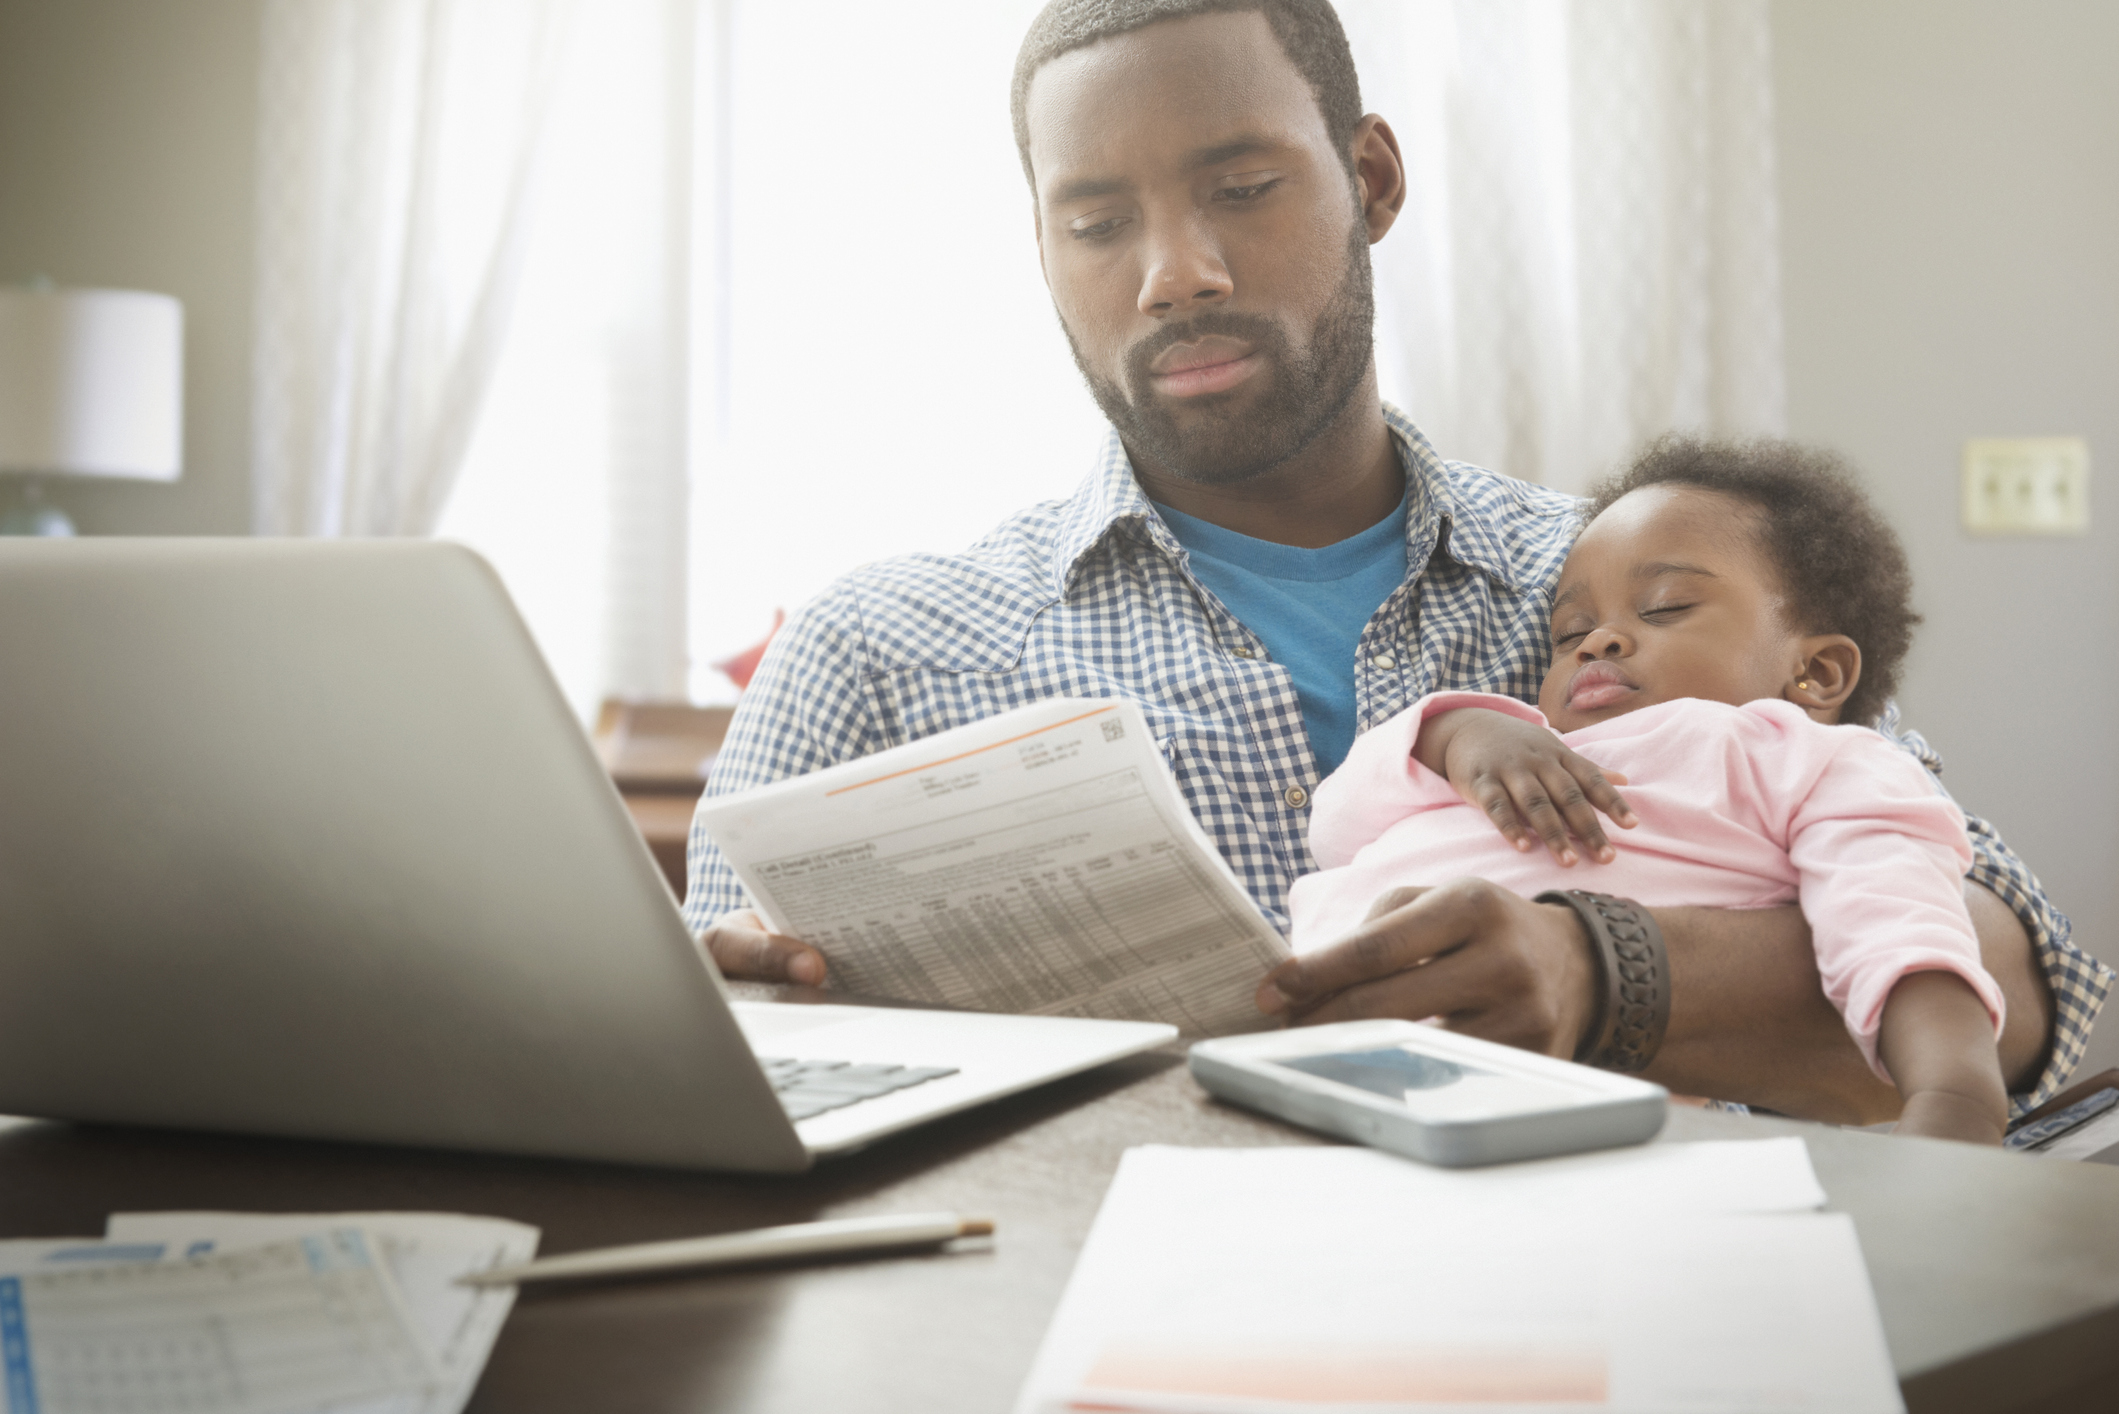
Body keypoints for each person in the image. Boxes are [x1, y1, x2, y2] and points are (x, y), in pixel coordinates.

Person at [685, 0, 2108, 1124]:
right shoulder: (876, 648)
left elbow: (2029, 982)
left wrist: (1602, 969)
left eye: (1240, 186)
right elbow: (698, 1058)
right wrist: (715, 1016)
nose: (1173, 272)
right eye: (1095, 221)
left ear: (1367, 179)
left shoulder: (1636, 591)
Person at [1288, 437, 2009, 1143]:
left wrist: (1955, 1094)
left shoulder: (1811, 760)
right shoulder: (1525, 745)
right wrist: (1456, 734)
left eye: (1663, 608)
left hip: (1531, 1107)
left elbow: (1897, 921)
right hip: (1288, 1063)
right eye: (1569, 632)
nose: (1598, 641)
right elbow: (1336, 830)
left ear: (1815, 673)